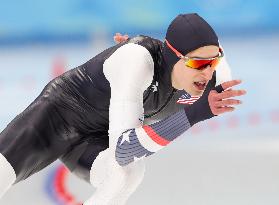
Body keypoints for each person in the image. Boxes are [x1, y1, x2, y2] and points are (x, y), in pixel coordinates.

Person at [0, 13, 246, 205]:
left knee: (126, 173)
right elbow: (125, 148)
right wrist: (193, 115)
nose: (207, 71)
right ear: (173, 57)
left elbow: (123, 158)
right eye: (198, 63)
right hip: (58, 117)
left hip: (96, 139)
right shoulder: (137, 61)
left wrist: (206, 72)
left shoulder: (215, 81)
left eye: (214, 61)